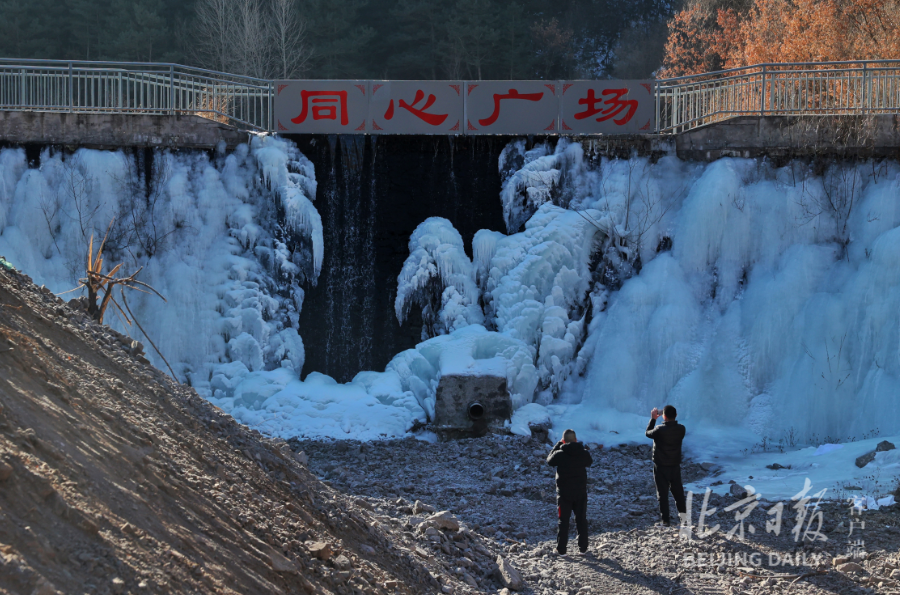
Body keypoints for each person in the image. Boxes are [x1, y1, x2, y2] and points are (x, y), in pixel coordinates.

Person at [546, 429, 593, 554]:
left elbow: (549, 460)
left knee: (563, 521)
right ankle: (583, 548)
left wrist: (558, 445)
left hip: (564, 494)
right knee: (581, 519)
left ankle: (561, 549)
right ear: (576, 440)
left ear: (563, 441)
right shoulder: (584, 453)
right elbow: (589, 462)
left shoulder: (560, 454)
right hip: (580, 493)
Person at [646, 405, 687, 527]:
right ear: (676, 415)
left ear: (663, 416)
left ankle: (665, 521)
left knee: (662, 494)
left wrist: (653, 418)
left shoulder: (659, 430)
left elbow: (648, 433)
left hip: (661, 466)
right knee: (678, 493)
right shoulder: (681, 429)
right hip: (675, 465)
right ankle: (684, 519)